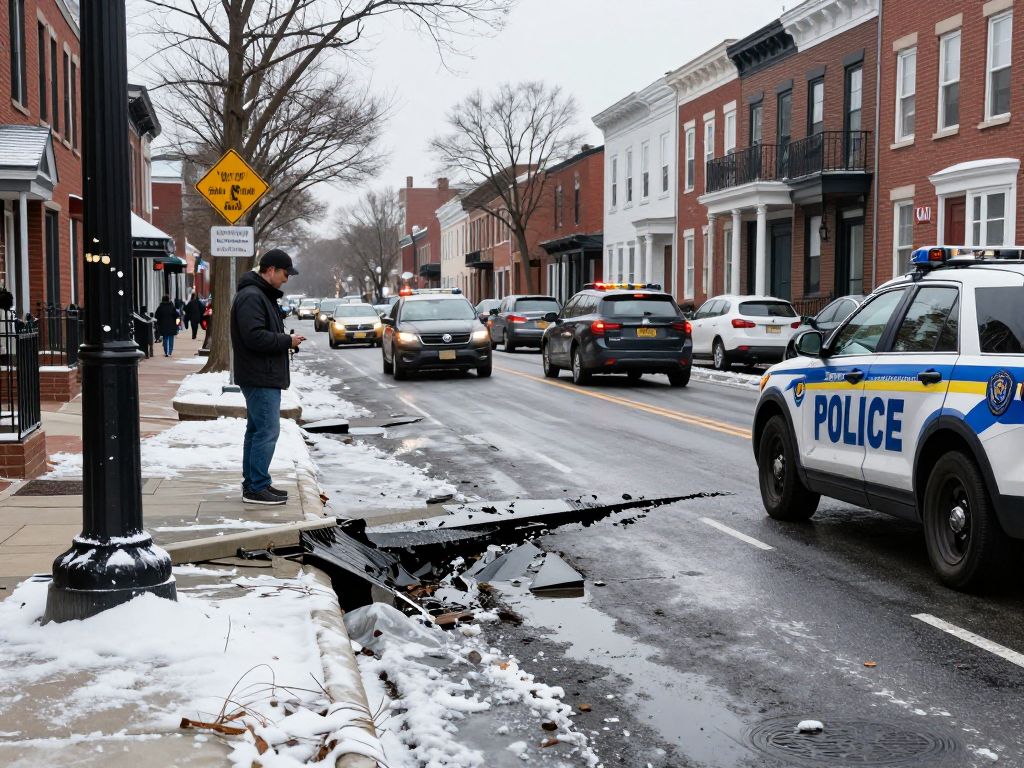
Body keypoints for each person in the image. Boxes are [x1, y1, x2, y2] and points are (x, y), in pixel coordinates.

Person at [230, 249, 304, 505]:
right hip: (259, 375)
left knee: (256, 430)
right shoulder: (252, 296)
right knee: (267, 430)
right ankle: (256, 487)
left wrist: (286, 340)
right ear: (270, 270)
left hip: (260, 373)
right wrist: (287, 340)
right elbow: (254, 336)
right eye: (285, 273)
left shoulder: (259, 294)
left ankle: (255, 483)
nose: (286, 279)